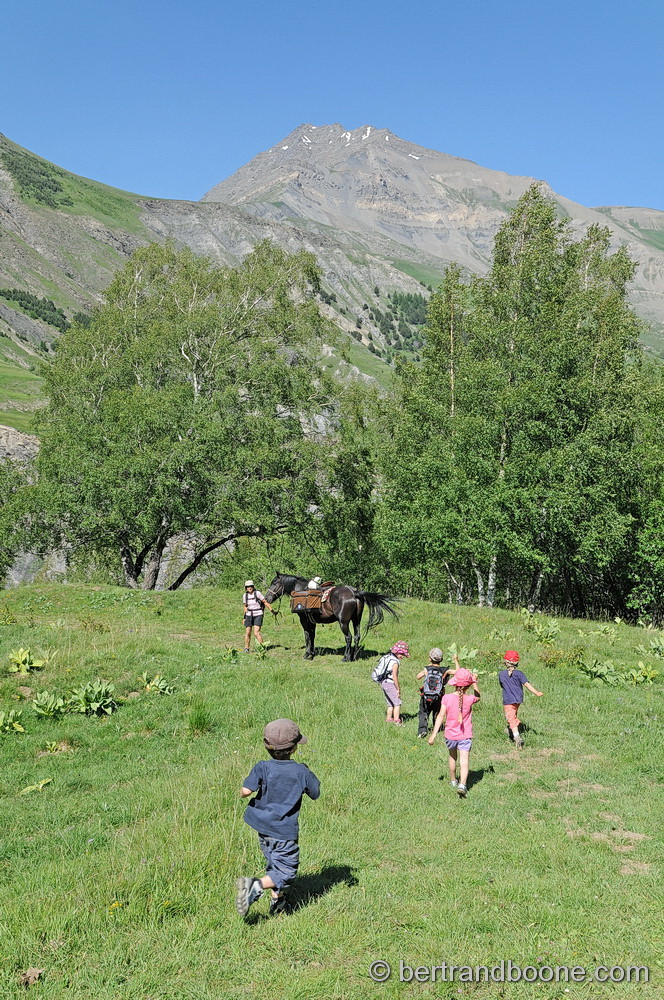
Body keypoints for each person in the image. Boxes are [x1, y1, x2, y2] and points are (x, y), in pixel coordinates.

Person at [236, 718, 320, 918]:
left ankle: (278, 902)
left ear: (267, 747)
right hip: (284, 831)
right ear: (293, 749)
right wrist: (308, 773)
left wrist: (244, 791)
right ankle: (254, 886)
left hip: (263, 827)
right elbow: (315, 792)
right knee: (286, 871)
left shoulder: (262, 767)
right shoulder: (301, 771)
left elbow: (245, 791)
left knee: (275, 863)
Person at [428, 663, 481, 797]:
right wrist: (475, 683)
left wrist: (433, 735)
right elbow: (478, 697)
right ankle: (463, 784)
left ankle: (453, 780)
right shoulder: (469, 699)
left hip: (450, 735)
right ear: (468, 685)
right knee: (464, 761)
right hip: (465, 735)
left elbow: (440, 716)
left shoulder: (446, 698)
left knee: (452, 757)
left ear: (455, 684)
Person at [498, 650, 543, 747]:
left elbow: (502, 685)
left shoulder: (501, 674)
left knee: (510, 718)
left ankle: (517, 738)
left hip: (508, 700)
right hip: (518, 700)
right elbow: (527, 684)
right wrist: (536, 692)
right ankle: (513, 728)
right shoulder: (520, 674)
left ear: (506, 662)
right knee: (512, 716)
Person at [416, 648, 451, 738]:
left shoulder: (427, 669)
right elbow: (451, 678)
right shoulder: (444, 670)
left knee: (423, 712)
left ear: (430, 659)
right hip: (439, 696)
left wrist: (428, 667)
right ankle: (437, 728)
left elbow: (418, 677)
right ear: (441, 659)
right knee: (437, 712)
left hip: (426, 696)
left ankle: (422, 730)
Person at [374, 641, 410, 725]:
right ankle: (397, 721)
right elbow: (395, 677)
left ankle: (389, 719)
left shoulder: (388, 657)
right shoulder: (395, 663)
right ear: (397, 652)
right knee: (397, 703)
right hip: (390, 683)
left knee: (390, 703)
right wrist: (398, 689)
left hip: (383, 682)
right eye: (402, 654)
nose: (403, 657)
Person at [242, 580, 275, 653]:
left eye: (251, 586)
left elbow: (265, 602)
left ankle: (262, 648)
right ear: (246, 588)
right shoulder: (245, 595)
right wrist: (244, 618)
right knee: (248, 632)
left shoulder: (257, 593)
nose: (249, 588)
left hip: (258, 614)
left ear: (253, 587)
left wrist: (271, 610)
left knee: (256, 632)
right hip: (249, 615)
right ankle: (246, 648)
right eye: (248, 587)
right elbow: (245, 607)